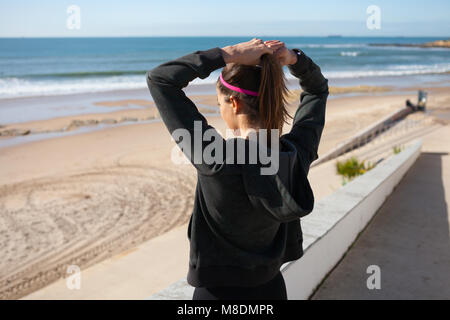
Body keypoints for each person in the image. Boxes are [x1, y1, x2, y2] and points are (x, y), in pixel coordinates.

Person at [146, 38, 328, 300]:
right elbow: (317, 91)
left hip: (216, 295)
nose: (220, 110)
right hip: (271, 290)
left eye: (219, 103)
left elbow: (160, 79)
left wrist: (228, 54)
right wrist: (294, 60)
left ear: (234, 103)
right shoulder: (294, 155)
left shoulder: (214, 157)